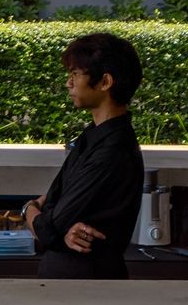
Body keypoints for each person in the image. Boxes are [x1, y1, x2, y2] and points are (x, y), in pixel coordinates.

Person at [22, 32, 145, 280]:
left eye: (76, 74)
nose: (69, 83)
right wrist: (54, 223)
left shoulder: (113, 150)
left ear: (105, 82)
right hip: (68, 281)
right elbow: (55, 203)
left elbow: (47, 229)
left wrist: (28, 209)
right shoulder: (93, 136)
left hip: (89, 287)